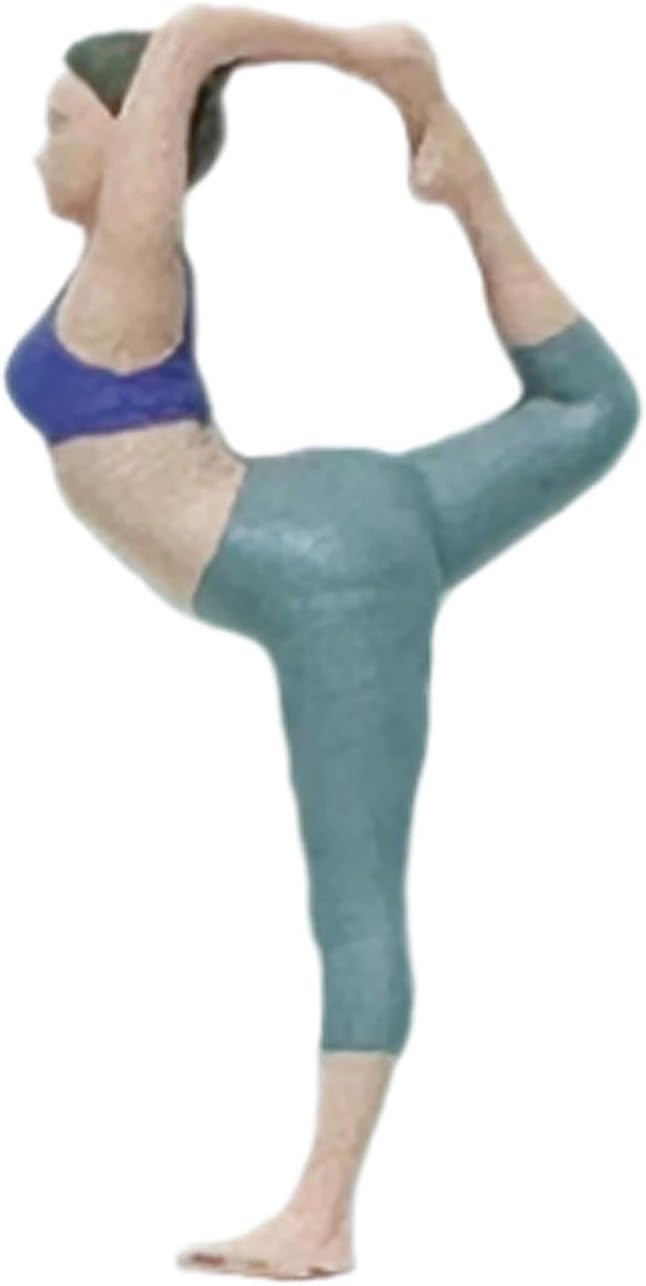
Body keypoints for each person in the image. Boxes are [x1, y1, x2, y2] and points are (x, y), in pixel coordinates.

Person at [4, 7, 639, 1279]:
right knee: (589, 410)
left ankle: (322, 1213)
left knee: (353, 898)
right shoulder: (108, 272)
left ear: (138, 146)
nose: (38, 152)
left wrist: (362, 57)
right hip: (332, 526)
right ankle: (465, 184)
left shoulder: (131, 264)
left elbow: (192, 35)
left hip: (332, 573)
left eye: (62, 125)